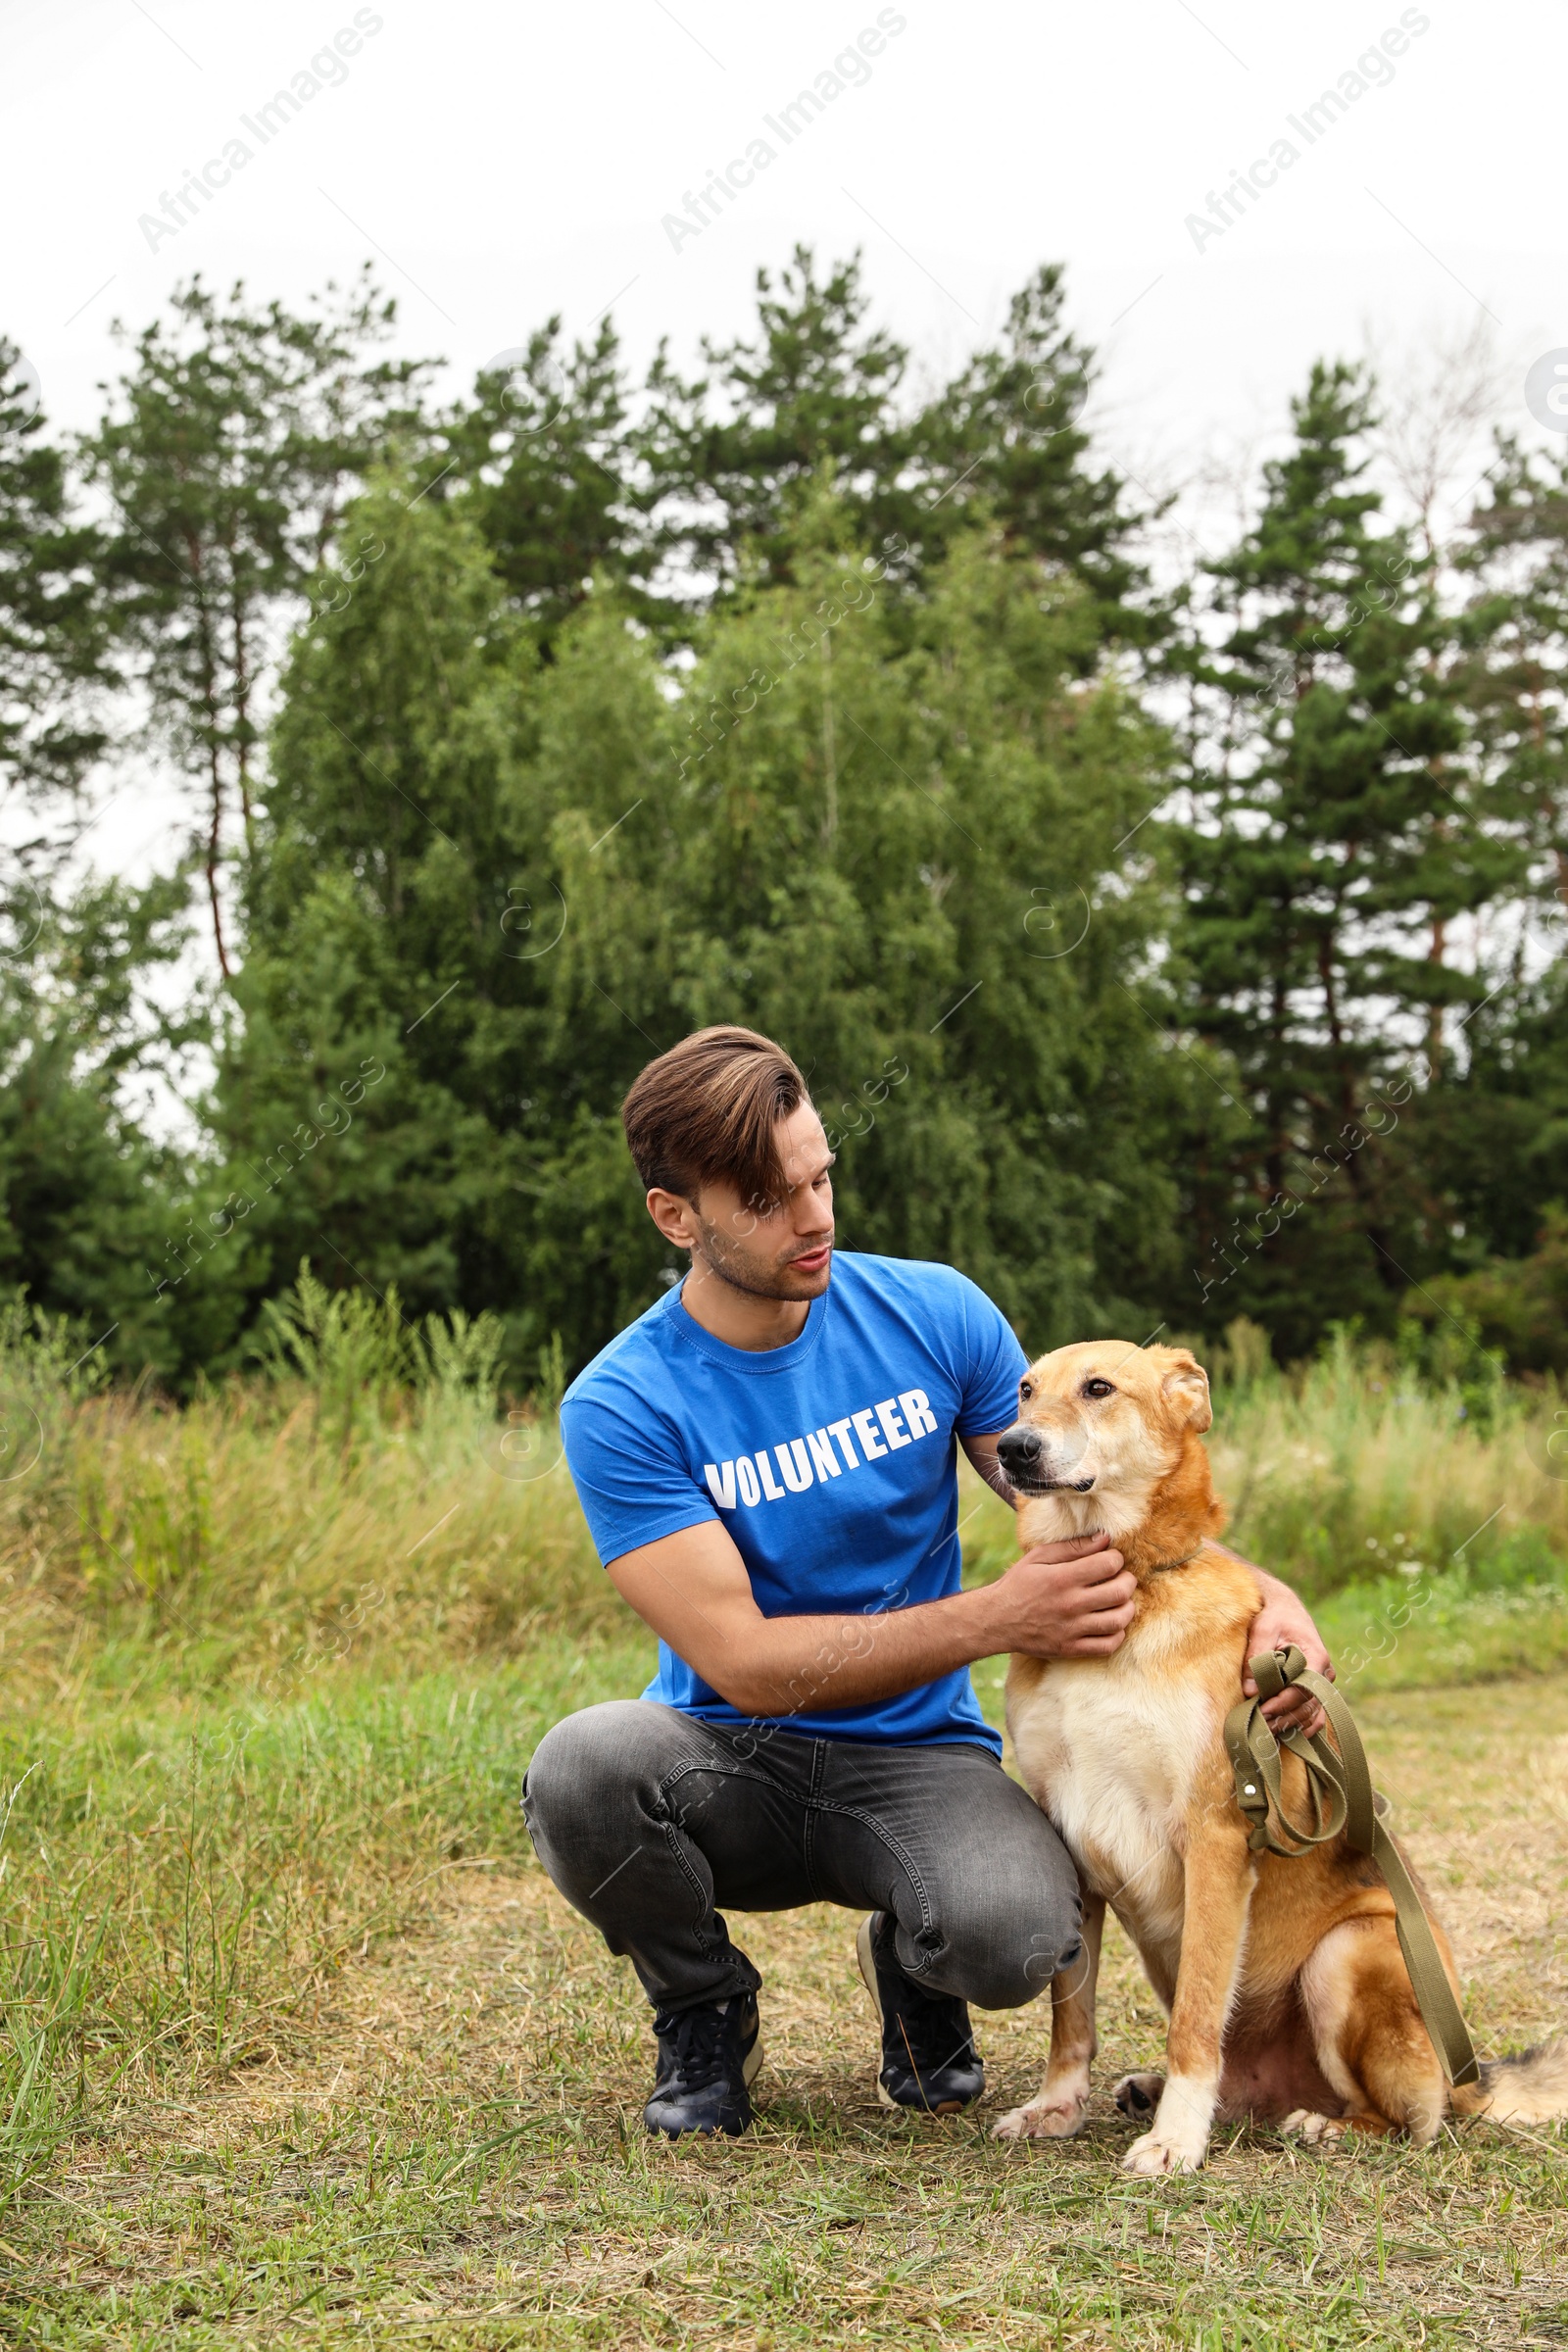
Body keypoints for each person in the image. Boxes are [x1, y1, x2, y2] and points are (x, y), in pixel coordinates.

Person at [523, 1026, 1333, 2139]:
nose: (811, 1218)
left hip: (917, 1759)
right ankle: (703, 2008)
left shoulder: (933, 1313)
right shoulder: (622, 1403)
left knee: (1009, 1930)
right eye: (765, 1199)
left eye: (820, 1178)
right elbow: (747, 1664)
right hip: (731, 1759)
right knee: (583, 1766)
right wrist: (996, 1617)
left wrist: (1265, 1597)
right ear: (678, 1217)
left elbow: (1089, 1489)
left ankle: (920, 1953)